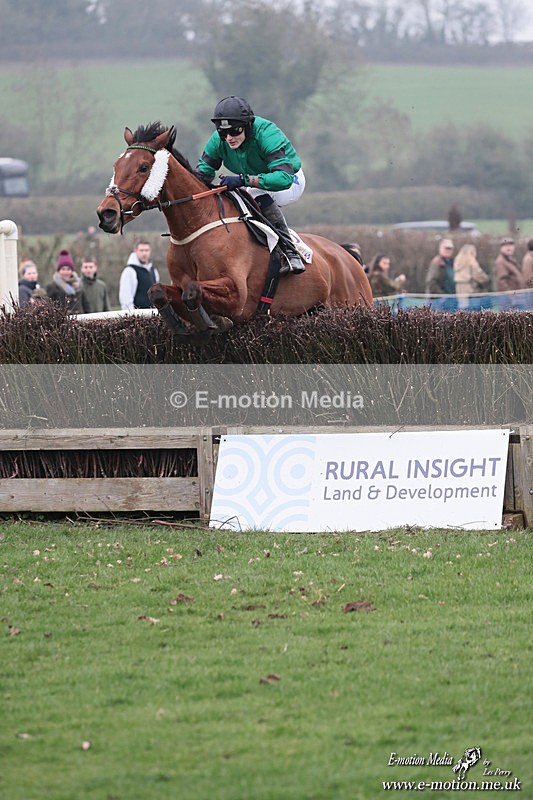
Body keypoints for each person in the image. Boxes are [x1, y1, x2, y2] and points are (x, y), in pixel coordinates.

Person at [197, 95, 305, 275]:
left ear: (247, 126)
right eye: (224, 133)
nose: (229, 138)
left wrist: (243, 180)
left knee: (252, 191)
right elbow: (202, 174)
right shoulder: (219, 140)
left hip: (290, 181)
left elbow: (283, 178)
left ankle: (290, 251)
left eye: (235, 131)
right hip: (257, 182)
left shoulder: (267, 133)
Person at [119, 240, 160, 311]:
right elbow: (125, 298)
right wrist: (131, 317)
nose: (144, 253)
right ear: (135, 251)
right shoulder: (130, 271)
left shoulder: (153, 270)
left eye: (146, 250)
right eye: (141, 250)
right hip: (137, 317)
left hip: (152, 315)